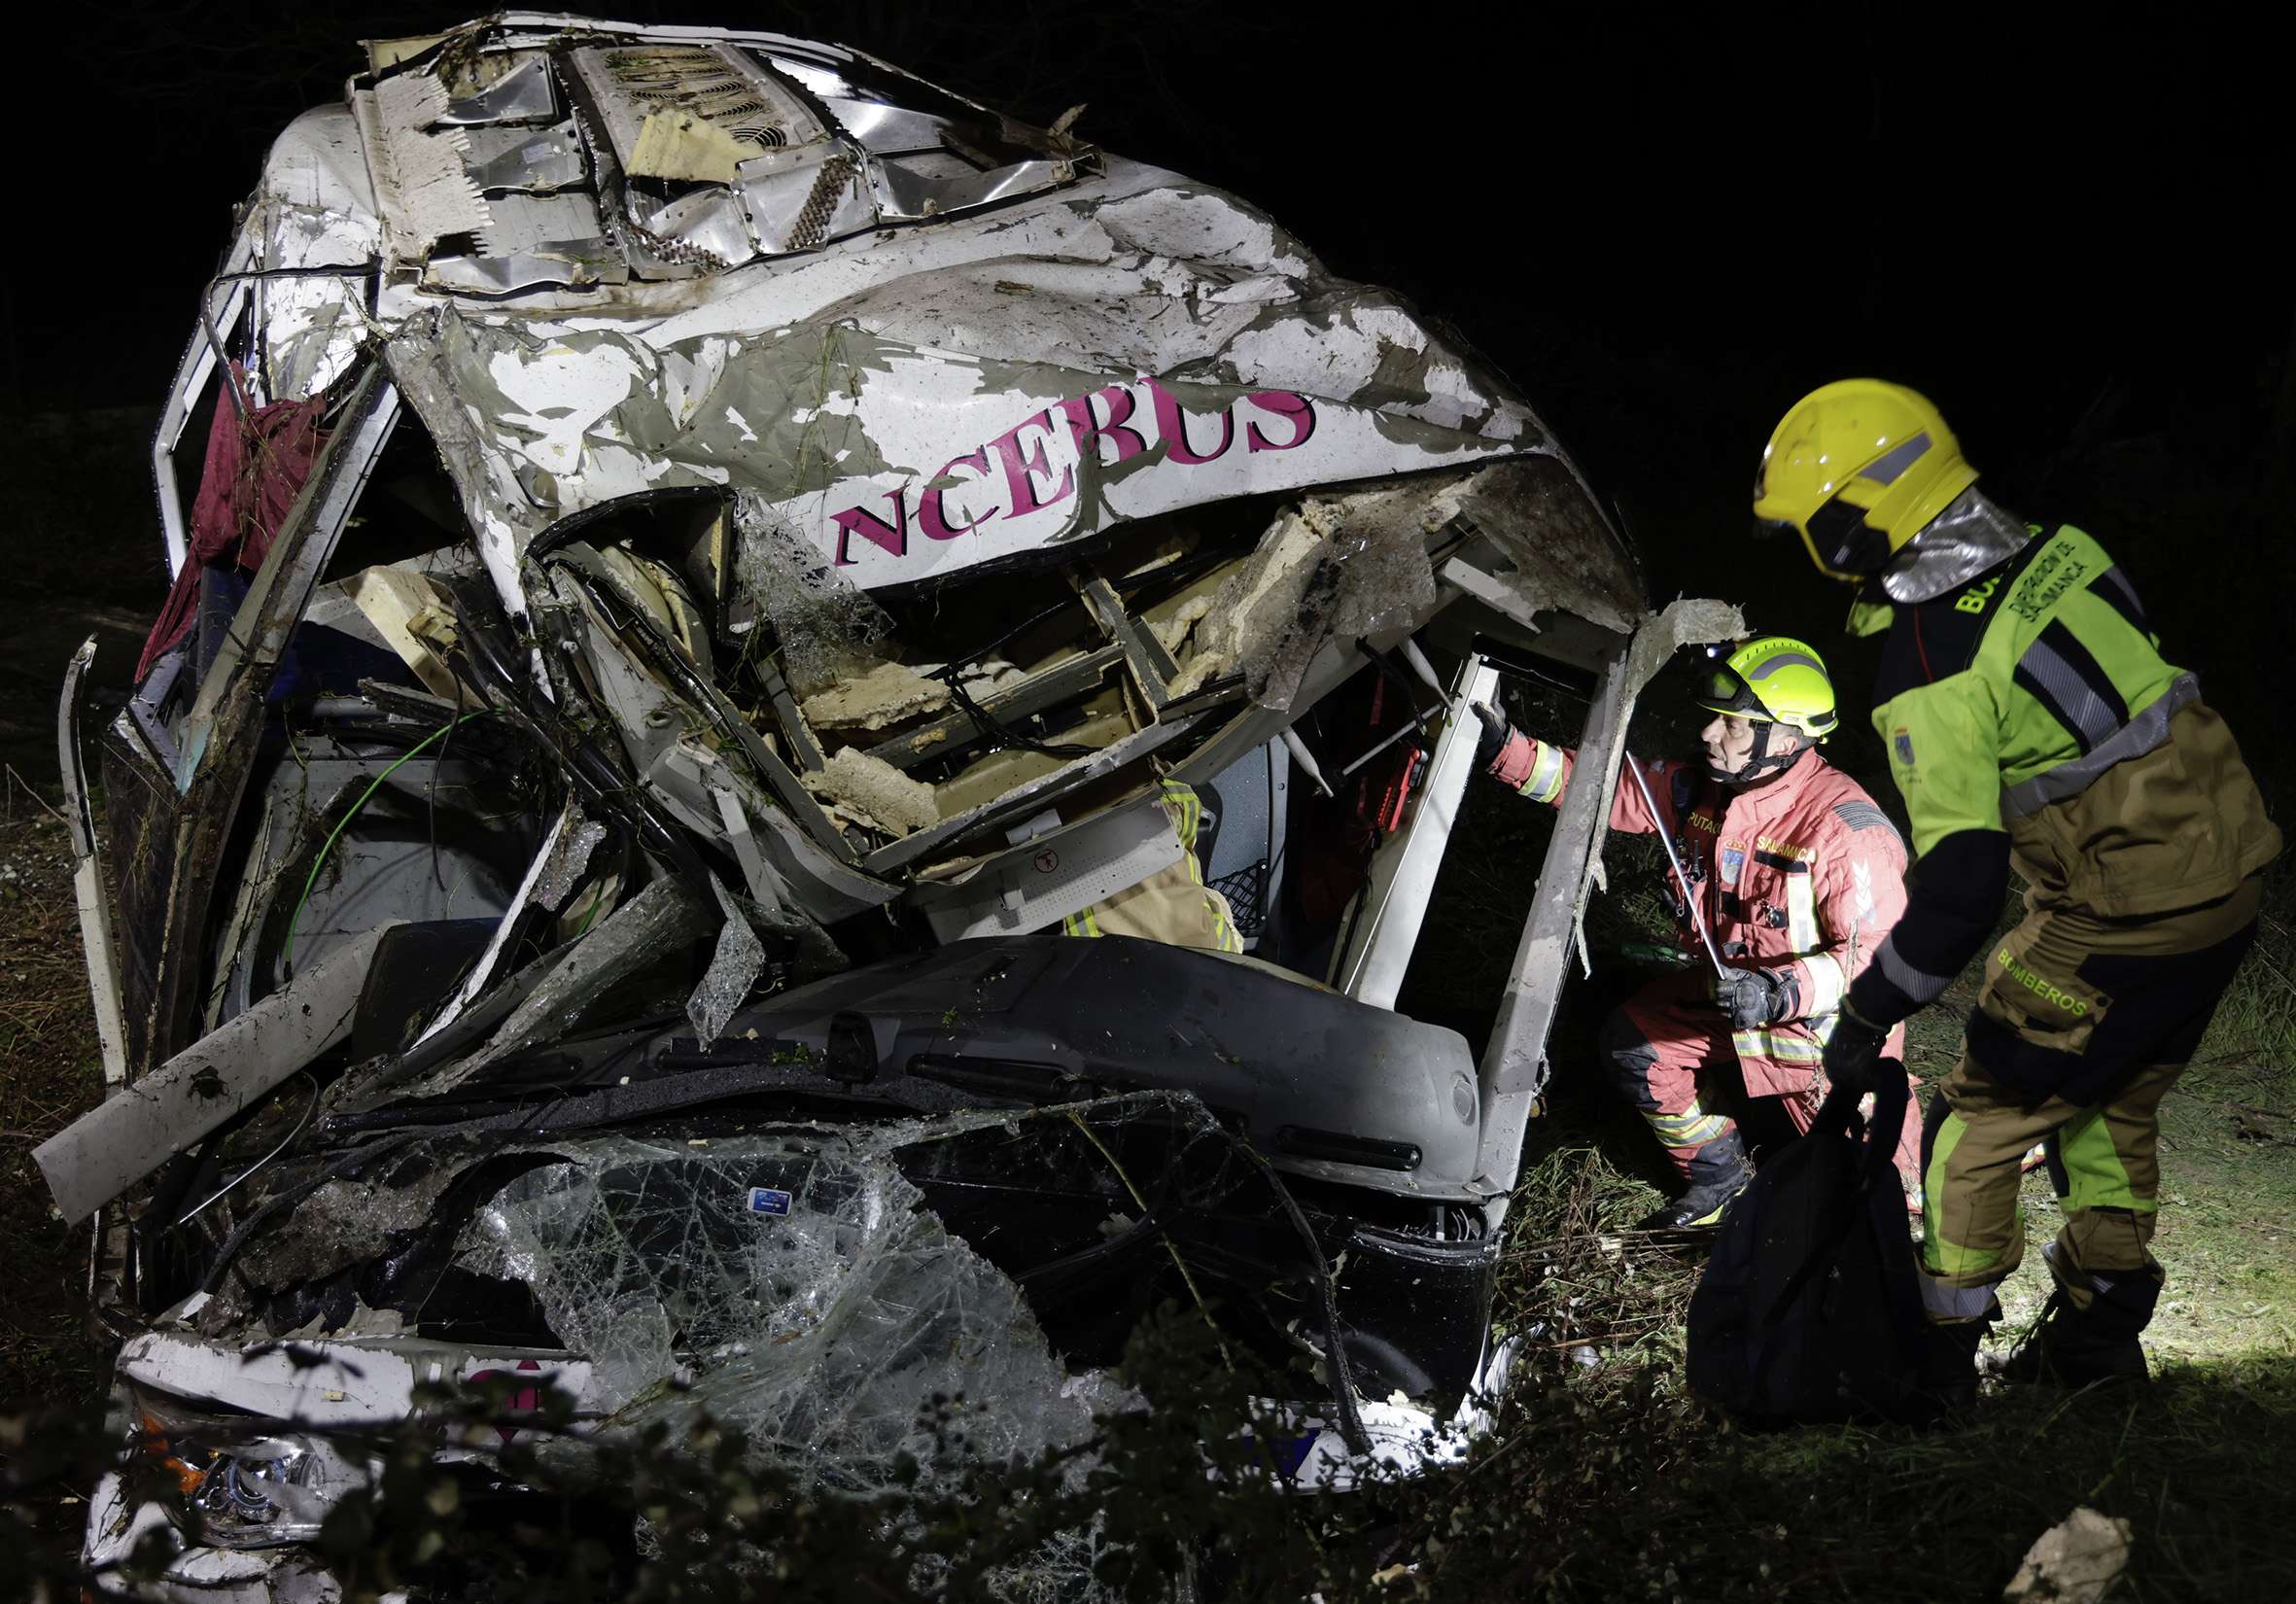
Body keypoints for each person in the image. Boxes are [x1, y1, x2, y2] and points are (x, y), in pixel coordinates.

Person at [1753, 379, 2280, 1399]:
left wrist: (1867, 1012)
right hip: (2225, 889)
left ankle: (1938, 1362)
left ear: (1853, 523)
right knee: (2107, 1104)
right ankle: (2096, 1348)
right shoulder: (2065, 548)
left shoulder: (1932, 672)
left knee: (1974, 1124)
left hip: (2117, 917)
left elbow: (1959, 892)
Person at [1475, 636, 1918, 1229]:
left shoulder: (1845, 831)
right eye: (1714, 718)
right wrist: (1506, 751)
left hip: (1823, 1037)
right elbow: (1606, 789)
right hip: (1734, 996)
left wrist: (1781, 990)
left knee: (1885, 1204)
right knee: (1638, 1042)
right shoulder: (1703, 790)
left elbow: (1882, 962)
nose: (1709, 733)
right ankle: (1720, 1180)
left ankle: (1932, 1187)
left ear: (1786, 739)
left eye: (1732, 725)